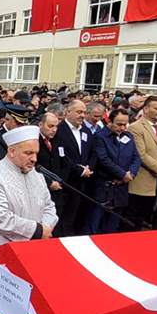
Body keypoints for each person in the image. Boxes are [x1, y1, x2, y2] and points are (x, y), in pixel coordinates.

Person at [0, 125, 57, 251]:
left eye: (36, 153)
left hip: (35, 247)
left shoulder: (37, 176)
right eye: (28, 153)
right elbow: (1, 218)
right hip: (1, 251)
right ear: (12, 151)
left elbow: (49, 207)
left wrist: (45, 229)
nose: (34, 159)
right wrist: (38, 230)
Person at [87, 109, 140, 234]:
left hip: (121, 187)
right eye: (119, 124)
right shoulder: (100, 136)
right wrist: (122, 174)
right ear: (109, 121)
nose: (122, 128)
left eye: (124, 124)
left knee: (113, 222)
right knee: (95, 220)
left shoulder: (128, 136)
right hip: (104, 186)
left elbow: (136, 157)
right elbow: (103, 159)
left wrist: (130, 174)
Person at [127, 96, 157, 231]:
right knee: (133, 217)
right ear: (146, 109)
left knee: (146, 214)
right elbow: (141, 154)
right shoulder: (136, 128)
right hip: (142, 180)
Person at [53, 99, 93, 236]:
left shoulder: (86, 131)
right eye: (79, 112)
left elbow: (93, 152)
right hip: (66, 181)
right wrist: (79, 169)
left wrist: (88, 168)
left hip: (82, 183)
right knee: (63, 218)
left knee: (75, 217)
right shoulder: (59, 130)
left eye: (84, 112)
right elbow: (62, 155)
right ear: (68, 112)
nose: (82, 115)